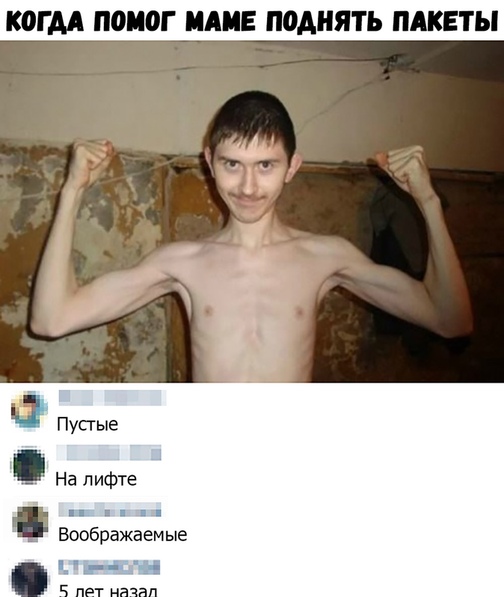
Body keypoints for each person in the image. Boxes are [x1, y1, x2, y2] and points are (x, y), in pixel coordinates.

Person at [30, 91, 472, 382]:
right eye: (232, 165)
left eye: (265, 166)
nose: (247, 186)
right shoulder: (181, 263)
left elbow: (450, 320)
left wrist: (428, 201)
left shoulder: (326, 257)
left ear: (292, 167)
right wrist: (72, 192)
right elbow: (51, 320)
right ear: (209, 162)